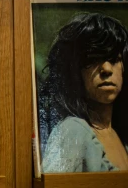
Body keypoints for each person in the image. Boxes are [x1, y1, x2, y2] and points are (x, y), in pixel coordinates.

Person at [41, 13, 128, 172]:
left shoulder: (121, 132)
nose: (106, 69)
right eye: (93, 59)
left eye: (114, 59)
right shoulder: (73, 130)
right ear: (74, 70)